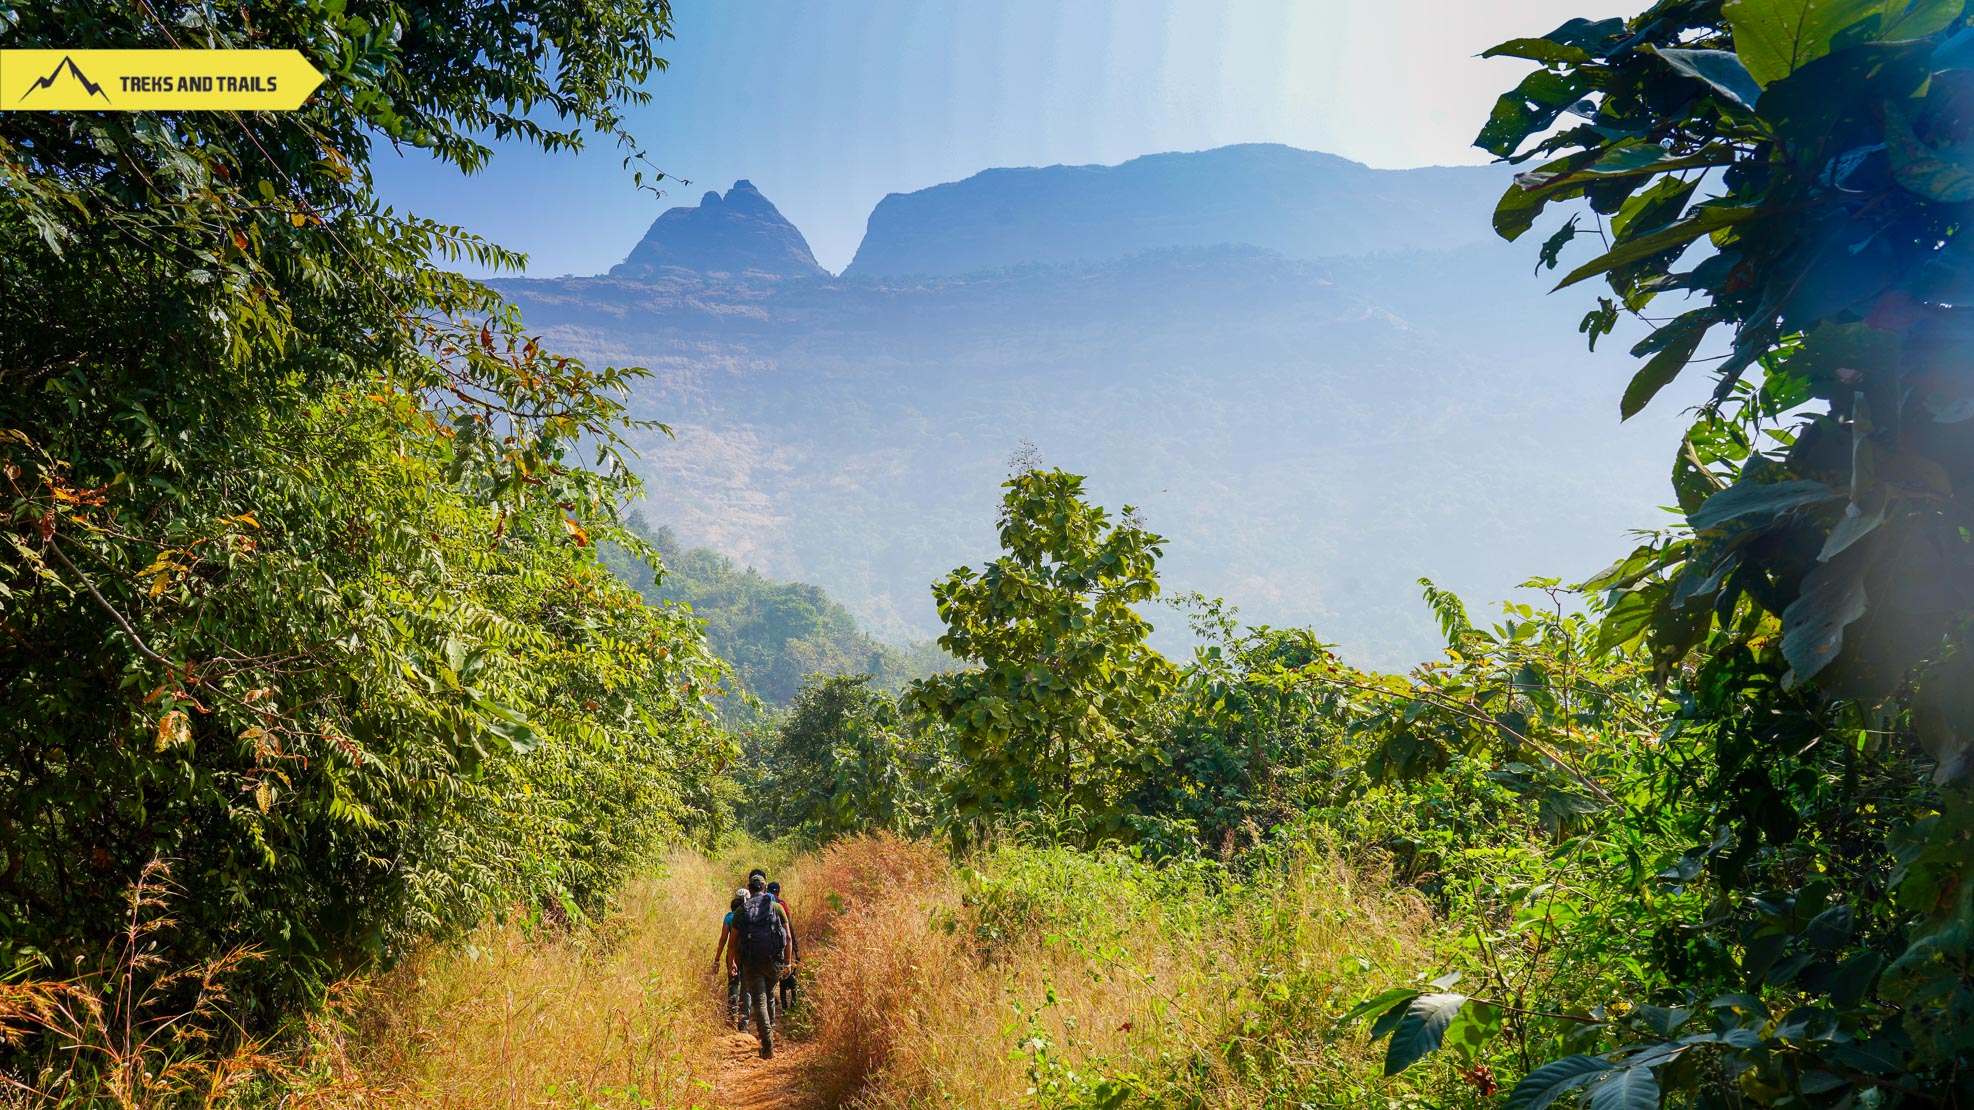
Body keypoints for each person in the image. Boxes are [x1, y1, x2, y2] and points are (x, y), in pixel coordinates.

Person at [731, 873, 791, 1058]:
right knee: (770, 996)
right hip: (773, 959)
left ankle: (767, 1046)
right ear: (764, 889)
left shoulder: (742, 910)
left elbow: (732, 942)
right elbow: (787, 937)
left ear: (749, 889)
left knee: (759, 1001)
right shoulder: (776, 908)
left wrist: (732, 963)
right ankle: (770, 1030)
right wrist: (788, 963)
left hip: (751, 961)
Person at [713, 890, 748, 1027]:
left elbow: (723, 940)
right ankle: (744, 1021)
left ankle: (732, 1017)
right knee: (745, 986)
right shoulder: (749, 915)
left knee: (733, 983)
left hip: (731, 954)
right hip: (746, 954)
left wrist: (717, 958)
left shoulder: (729, 917)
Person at [767, 880, 799, 1011]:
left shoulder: (760, 905)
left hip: (764, 946)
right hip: (781, 943)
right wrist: (793, 943)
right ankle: (791, 1004)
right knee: (783, 971)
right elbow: (788, 924)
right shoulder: (781, 905)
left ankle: (773, 998)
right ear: (778, 892)